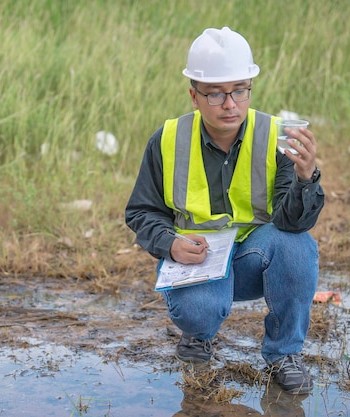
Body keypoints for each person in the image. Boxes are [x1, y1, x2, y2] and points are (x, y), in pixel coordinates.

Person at [125, 27, 324, 395]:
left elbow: (290, 222)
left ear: (250, 89)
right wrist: (170, 243)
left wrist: (305, 177)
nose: (230, 103)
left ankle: (284, 354)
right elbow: (141, 211)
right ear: (194, 96)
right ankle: (197, 337)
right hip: (195, 262)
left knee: (297, 247)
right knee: (199, 310)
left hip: (253, 258)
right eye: (215, 93)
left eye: (239, 90)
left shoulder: (276, 137)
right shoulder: (167, 139)